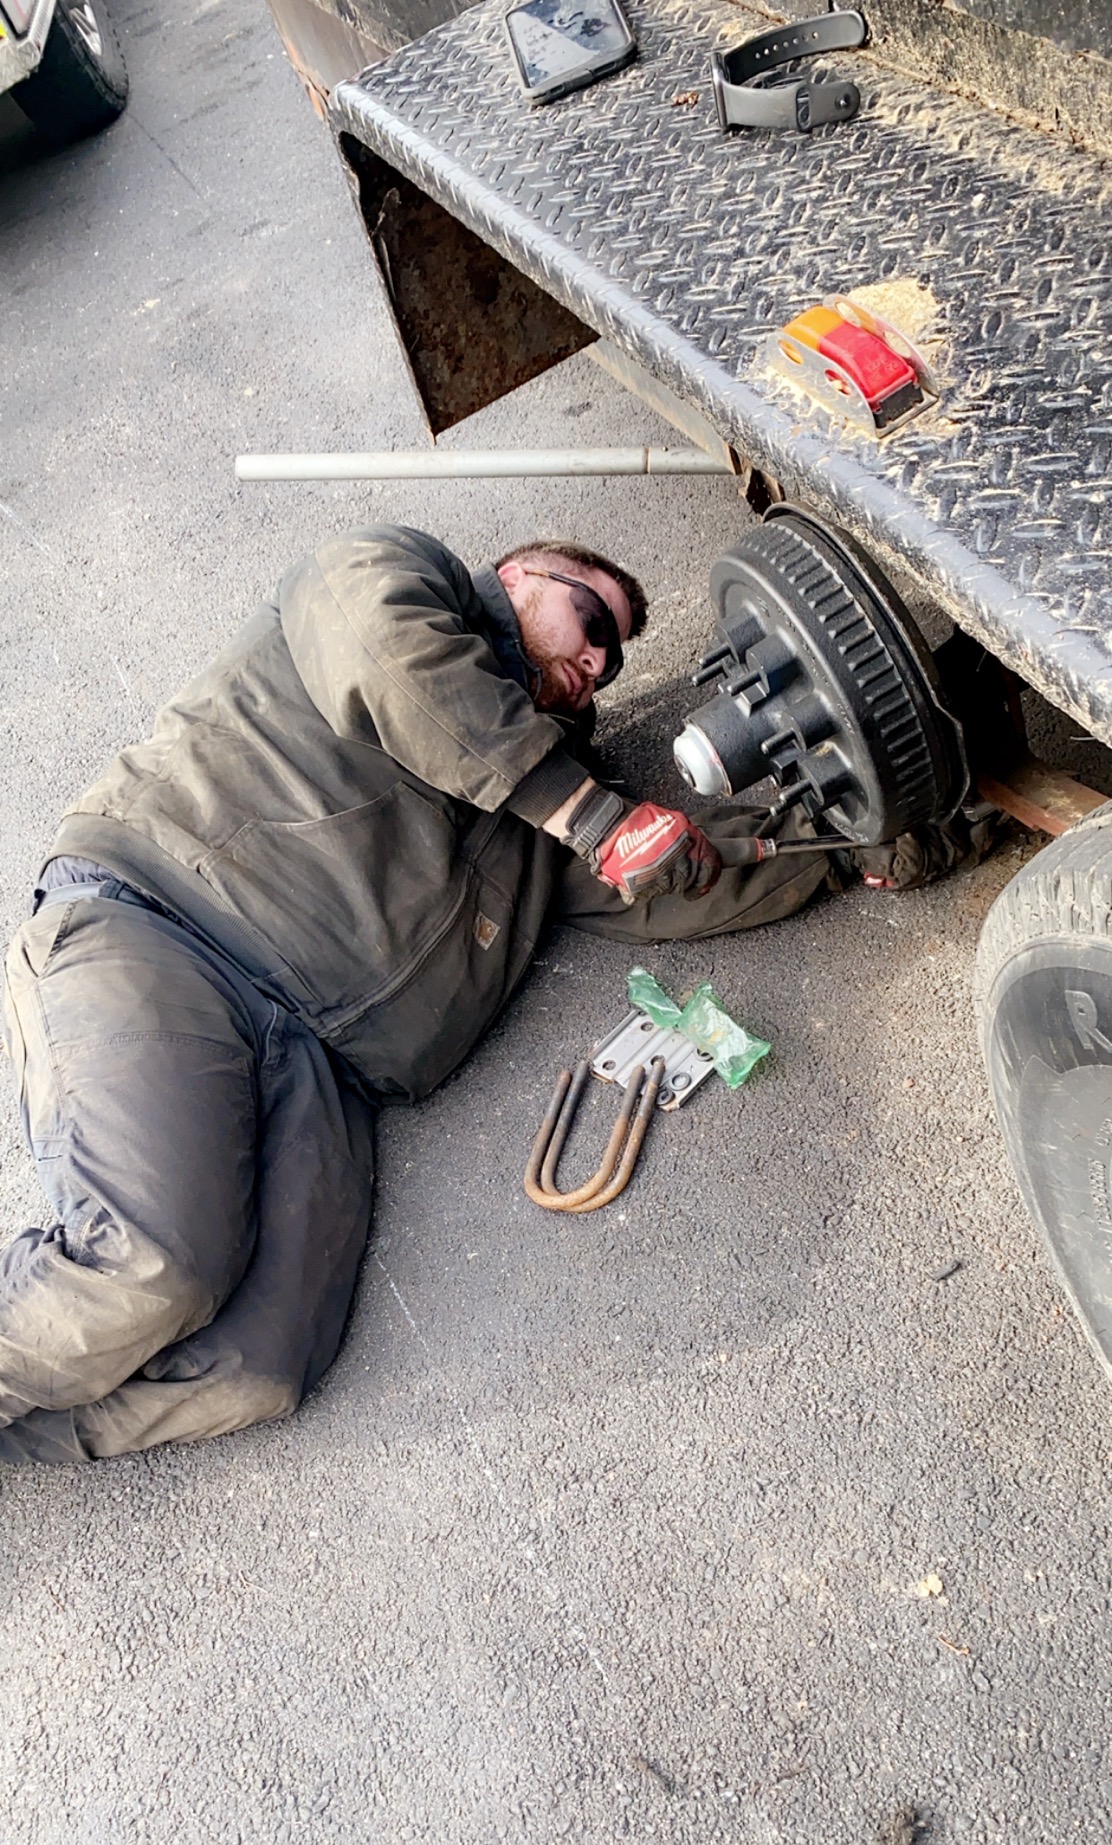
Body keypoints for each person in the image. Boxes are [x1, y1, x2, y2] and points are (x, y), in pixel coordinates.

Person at [0, 525, 835, 1465]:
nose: (599, 662)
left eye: (613, 661)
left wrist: (852, 847)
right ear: (521, 574)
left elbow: (668, 875)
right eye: (592, 617)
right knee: (148, 1264)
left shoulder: (543, 809)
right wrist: (590, 815)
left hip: (317, 1068)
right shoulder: (392, 578)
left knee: (260, 1363)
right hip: (167, 932)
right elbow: (389, 658)